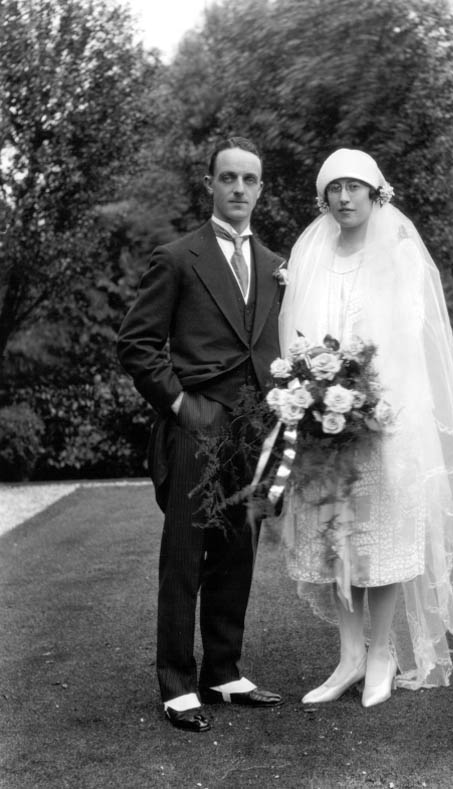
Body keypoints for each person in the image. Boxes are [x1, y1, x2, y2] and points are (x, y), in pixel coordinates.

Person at [278, 148, 453, 707]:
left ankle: (382, 655)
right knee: (335, 537)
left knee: (383, 539)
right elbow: (295, 334)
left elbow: (411, 342)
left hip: (383, 420)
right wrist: (310, 395)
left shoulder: (400, 254)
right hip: (324, 423)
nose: (344, 198)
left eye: (354, 187)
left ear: (375, 194)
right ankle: (348, 657)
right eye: (334, 188)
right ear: (323, 196)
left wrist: (372, 400)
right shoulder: (309, 253)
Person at [117, 137, 285, 733]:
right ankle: (177, 684)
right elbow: (135, 343)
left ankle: (224, 671)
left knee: (238, 554)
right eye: (228, 178)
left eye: (250, 180)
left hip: (254, 432)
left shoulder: (273, 265)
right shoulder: (178, 257)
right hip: (198, 424)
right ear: (210, 184)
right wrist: (182, 404)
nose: (239, 189)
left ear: (261, 189)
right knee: (184, 557)